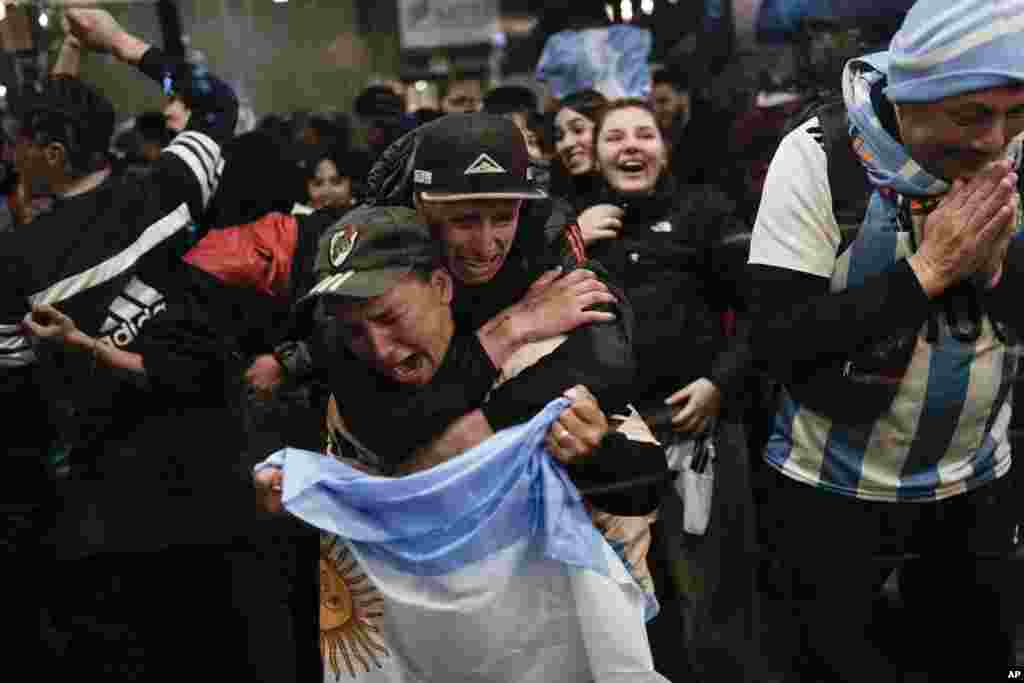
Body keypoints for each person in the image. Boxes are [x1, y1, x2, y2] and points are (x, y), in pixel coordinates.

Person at [257, 205, 668, 681]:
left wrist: (595, 453)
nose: (379, 348)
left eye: (390, 316)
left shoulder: (539, 368)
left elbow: (644, 486)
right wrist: (299, 496)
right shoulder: (353, 400)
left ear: (440, 287)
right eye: (353, 330)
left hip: (543, 653)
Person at [748, 1, 1024, 679]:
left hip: (977, 485)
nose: (995, 139)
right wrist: (927, 272)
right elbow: (779, 340)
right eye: (970, 115)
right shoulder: (817, 155)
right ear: (910, 98)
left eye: (1015, 112)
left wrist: (992, 270)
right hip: (830, 496)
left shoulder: (1016, 152)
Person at [0, 7, 241, 678]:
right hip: (214, 477)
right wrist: (111, 41)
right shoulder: (169, 188)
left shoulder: (17, 265)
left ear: (47, 154)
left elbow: (13, 383)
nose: (7, 150)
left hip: (107, 513)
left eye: (14, 140)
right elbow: (216, 104)